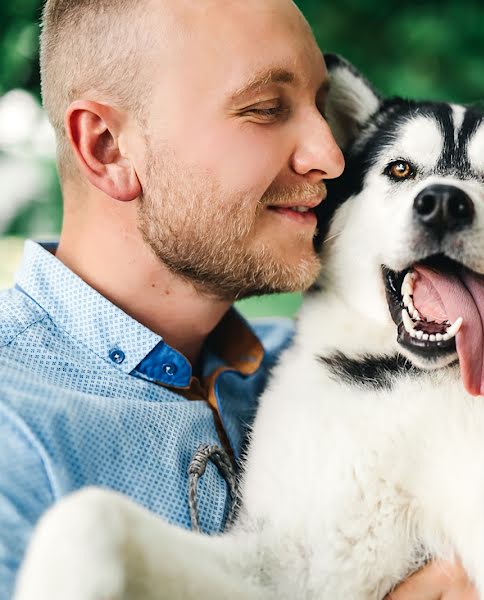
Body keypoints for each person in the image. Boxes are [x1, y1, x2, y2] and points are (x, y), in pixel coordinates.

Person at [0, 0, 344, 595]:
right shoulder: (15, 432)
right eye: (265, 110)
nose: (330, 156)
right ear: (107, 147)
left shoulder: (310, 367)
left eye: (323, 106)